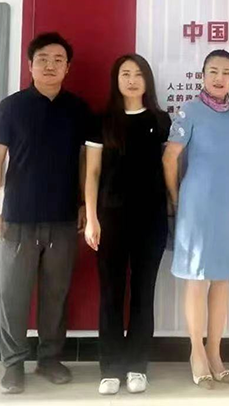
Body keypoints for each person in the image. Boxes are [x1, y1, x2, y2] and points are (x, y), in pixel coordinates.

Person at [0, 32, 91, 394]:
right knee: (12, 295)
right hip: (17, 218)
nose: (50, 66)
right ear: (30, 65)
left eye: (58, 60)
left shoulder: (78, 109)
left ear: (67, 67)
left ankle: (49, 359)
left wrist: (83, 204)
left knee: (55, 294)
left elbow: (85, 162)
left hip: (63, 219)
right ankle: (13, 365)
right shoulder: (11, 107)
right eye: (42, 59)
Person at [163, 49, 229, 389]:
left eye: (226, 72)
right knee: (196, 279)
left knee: (223, 279)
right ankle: (196, 352)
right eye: (213, 71)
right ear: (202, 75)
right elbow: (170, 158)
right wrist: (176, 198)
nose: (220, 78)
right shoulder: (189, 110)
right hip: (197, 204)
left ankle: (215, 351)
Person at [84, 54, 170, 396]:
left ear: (147, 80)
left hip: (151, 219)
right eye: (125, 74)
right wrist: (91, 217)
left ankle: (137, 365)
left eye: (138, 74)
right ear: (116, 80)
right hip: (111, 218)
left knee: (143, 293)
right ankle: (110, 367)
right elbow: (92, 173)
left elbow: (170, 168)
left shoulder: (160, 120)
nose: (132, 80)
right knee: (111, 292)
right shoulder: (102, 121)